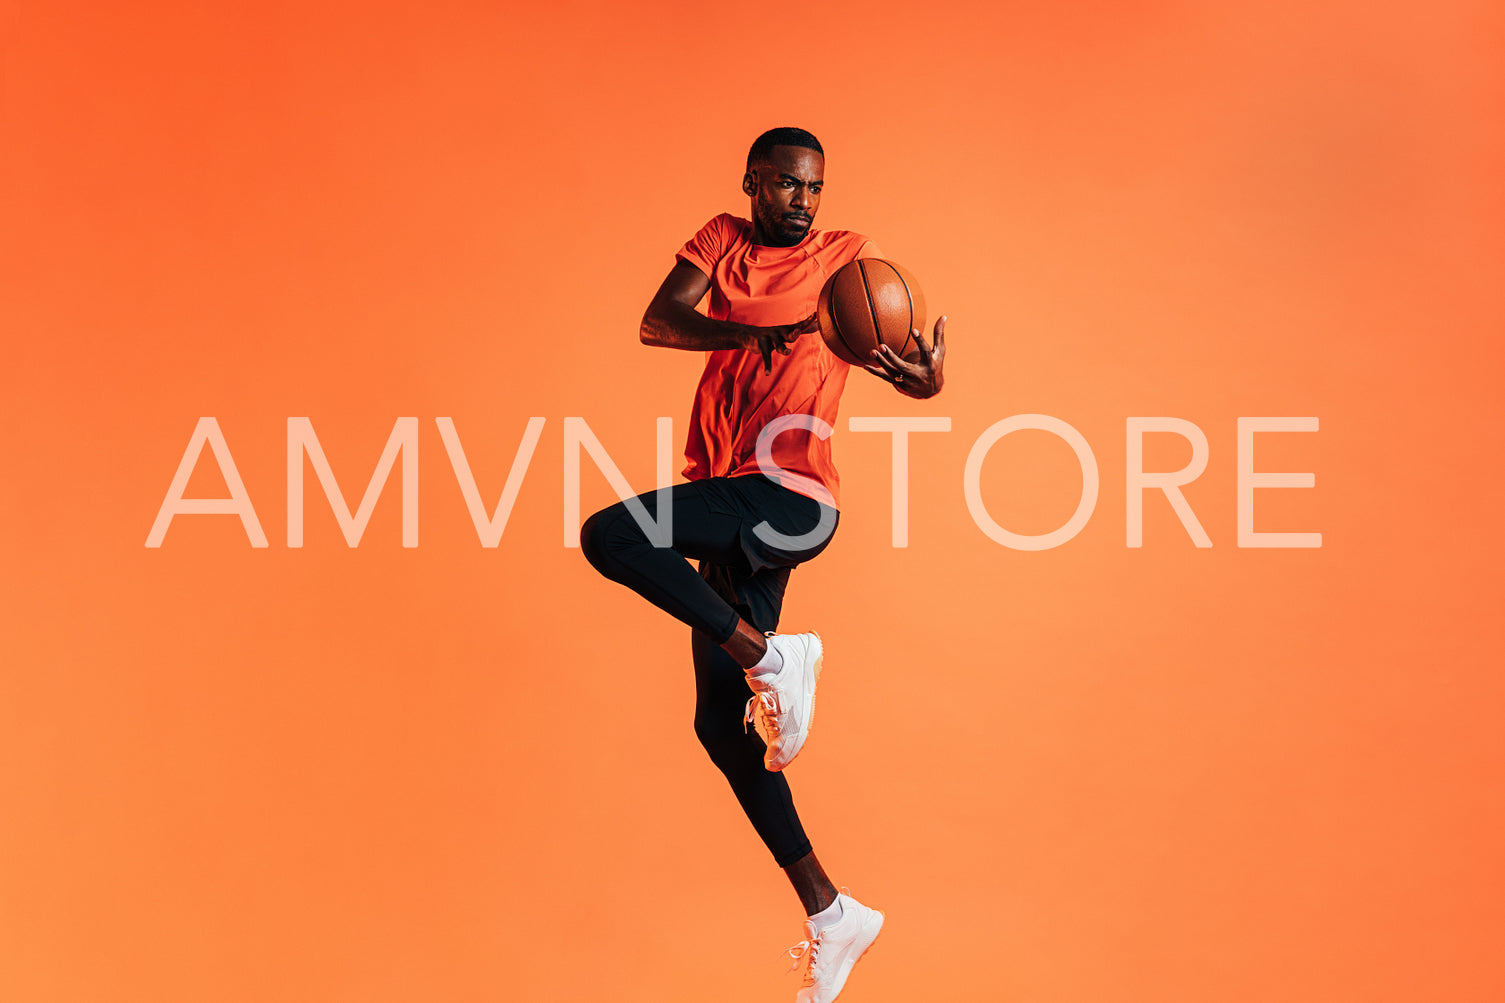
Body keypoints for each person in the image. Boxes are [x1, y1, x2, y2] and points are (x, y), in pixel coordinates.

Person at [580, 126, 946, 1002]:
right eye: (786, 185)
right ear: (752, 182)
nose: (802, 202)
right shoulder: (720, 242)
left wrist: (922, 382)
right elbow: (658, 319)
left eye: (813, 188)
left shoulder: (845, 261)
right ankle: (831, 911)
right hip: (725, 487)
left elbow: (888, 348)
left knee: (610, 535)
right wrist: (756, 334)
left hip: (789, 497)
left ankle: (775, 658)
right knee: (718, 728)